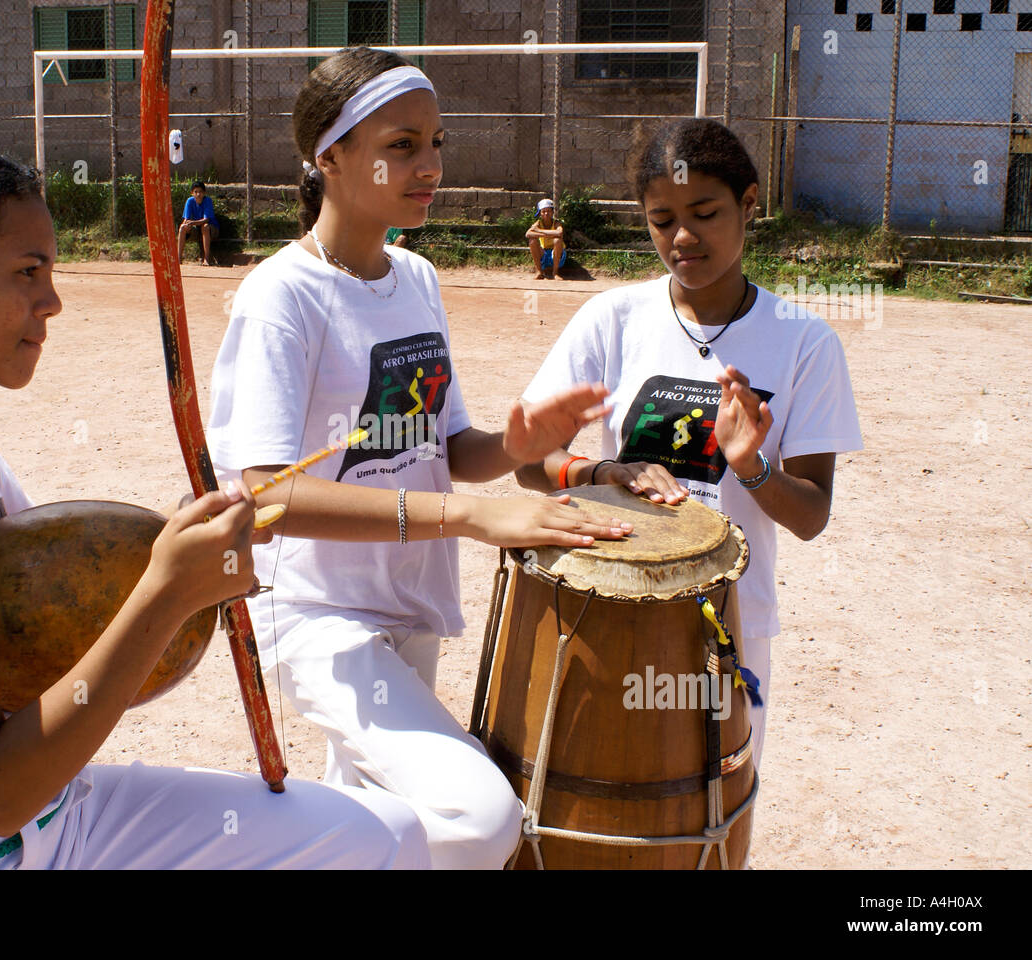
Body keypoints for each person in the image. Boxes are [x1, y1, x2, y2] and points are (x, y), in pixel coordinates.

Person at [0, 144, 431, 870]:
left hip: (50, 816)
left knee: (386, 836)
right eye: (28, 273)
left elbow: (48, 614)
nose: (52, 301)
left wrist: (178, 548)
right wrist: (168, 592)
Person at [206, 47, 635, 870]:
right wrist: (468, 516)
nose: (430, 165)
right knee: (479, 818)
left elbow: (451, 453)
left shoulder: (418, 278)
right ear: (329, 156)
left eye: (436, 142)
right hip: (319, 617)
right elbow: (262, 497)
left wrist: (522, 444)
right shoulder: (279, 297)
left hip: (410, 601)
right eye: (402, 144)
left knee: (373, 809)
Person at [516, 118, 863, 777]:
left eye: (705, 213)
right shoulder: (611, 319)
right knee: (602, 798)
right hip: (613, 601)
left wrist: (751, 468)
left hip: (730, 620)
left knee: (710, 809)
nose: (682, 238)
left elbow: (811, 515)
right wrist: (603, 469)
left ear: (750, 204)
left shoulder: (803, 341)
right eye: (661, 219)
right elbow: (530, 464)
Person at [178, 179, 218, 265]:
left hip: (211, 230)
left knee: (205, 226)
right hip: (197, 229)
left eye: (200, 192)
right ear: (192, 193)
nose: (198, 194)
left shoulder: (207, 201)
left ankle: (206, 259)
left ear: (204, 193)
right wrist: (186, 225)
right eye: (196, 192)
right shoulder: (190, 201)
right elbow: (186, 218)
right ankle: (178, 259)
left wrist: (192, 223)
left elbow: (206, 220)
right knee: (182, 228)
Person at [527, 198, 566, 279]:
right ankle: (539, 272)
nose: (546, 213)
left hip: (556, 253)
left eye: (548, 211)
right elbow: (528, 234)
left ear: (552, 212)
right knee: (532, 241)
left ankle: (555, 273)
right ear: (540, 213)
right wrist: (550, 234)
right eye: (543, 211)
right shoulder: (538, 223)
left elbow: (559, 233)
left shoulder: (556, 223)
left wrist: (539, 231)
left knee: (557, 240)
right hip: (543, 252)